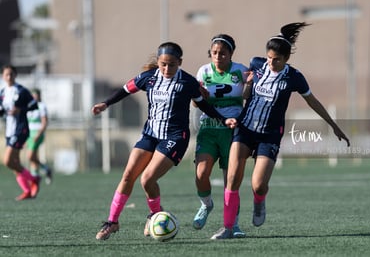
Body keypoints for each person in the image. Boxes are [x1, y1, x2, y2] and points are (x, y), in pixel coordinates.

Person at [210, 22, 350, 239]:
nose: (271, 62)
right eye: (269, 57)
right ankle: (228, 227)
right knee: (232, 178)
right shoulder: (257, 65)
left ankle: (259, 201)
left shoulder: (294, 77)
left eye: (277, 59)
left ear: (286, 60)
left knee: (258, 184)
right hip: (245, 129)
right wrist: (246, 85)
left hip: (270, 134)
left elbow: (313, 101)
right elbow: (245, 93)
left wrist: (333, 125)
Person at [93, 42, 237, 240]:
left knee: (147, 179)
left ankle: (154, 215)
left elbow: (203, 105)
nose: (167, 69)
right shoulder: (148, 78)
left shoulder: (187, 82)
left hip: (175, 137)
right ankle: (112, 221)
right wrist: (105, 103)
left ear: (180, 62)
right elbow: (126, 90)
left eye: (171, 65)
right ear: (158, 63)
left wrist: (223, 118)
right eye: (163, 64)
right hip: (150, 134)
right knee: (128, 175)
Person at [192, 34, 248, 238]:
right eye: (214, 52)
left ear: (231, 53)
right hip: (208, 129)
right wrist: (199, 97)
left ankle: (234, 224)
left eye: (223, 53)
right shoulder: (203, 71)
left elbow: (248, 96)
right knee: (201, 173)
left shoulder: (240, 71)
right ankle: (206, 205)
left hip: (233, 132)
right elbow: (195, 102)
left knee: (230, 182)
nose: (218, 56)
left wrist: (249, 84)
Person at [0, 65, 40, 200]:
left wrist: (21, 110)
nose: (9, 77)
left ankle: (34, 179)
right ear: (3, 76)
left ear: (15, 75)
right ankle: (27, 190)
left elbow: (34, 104)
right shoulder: (3, 92)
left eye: (11, 74)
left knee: (7, 161)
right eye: (6, 74)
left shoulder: (21, 91)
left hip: (20, 129)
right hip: (10, 131)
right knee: (14, 163)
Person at [26, 88, 53, 184]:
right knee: (33, 157)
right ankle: (38, 175)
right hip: (28, 134)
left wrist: (39, 133)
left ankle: (39, 174)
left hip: (37, 133)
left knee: (30, 156)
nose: (34, 97)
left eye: (35, 95)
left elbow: (44, 122)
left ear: (39, 96)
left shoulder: (41, 106)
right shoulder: (28, 106)